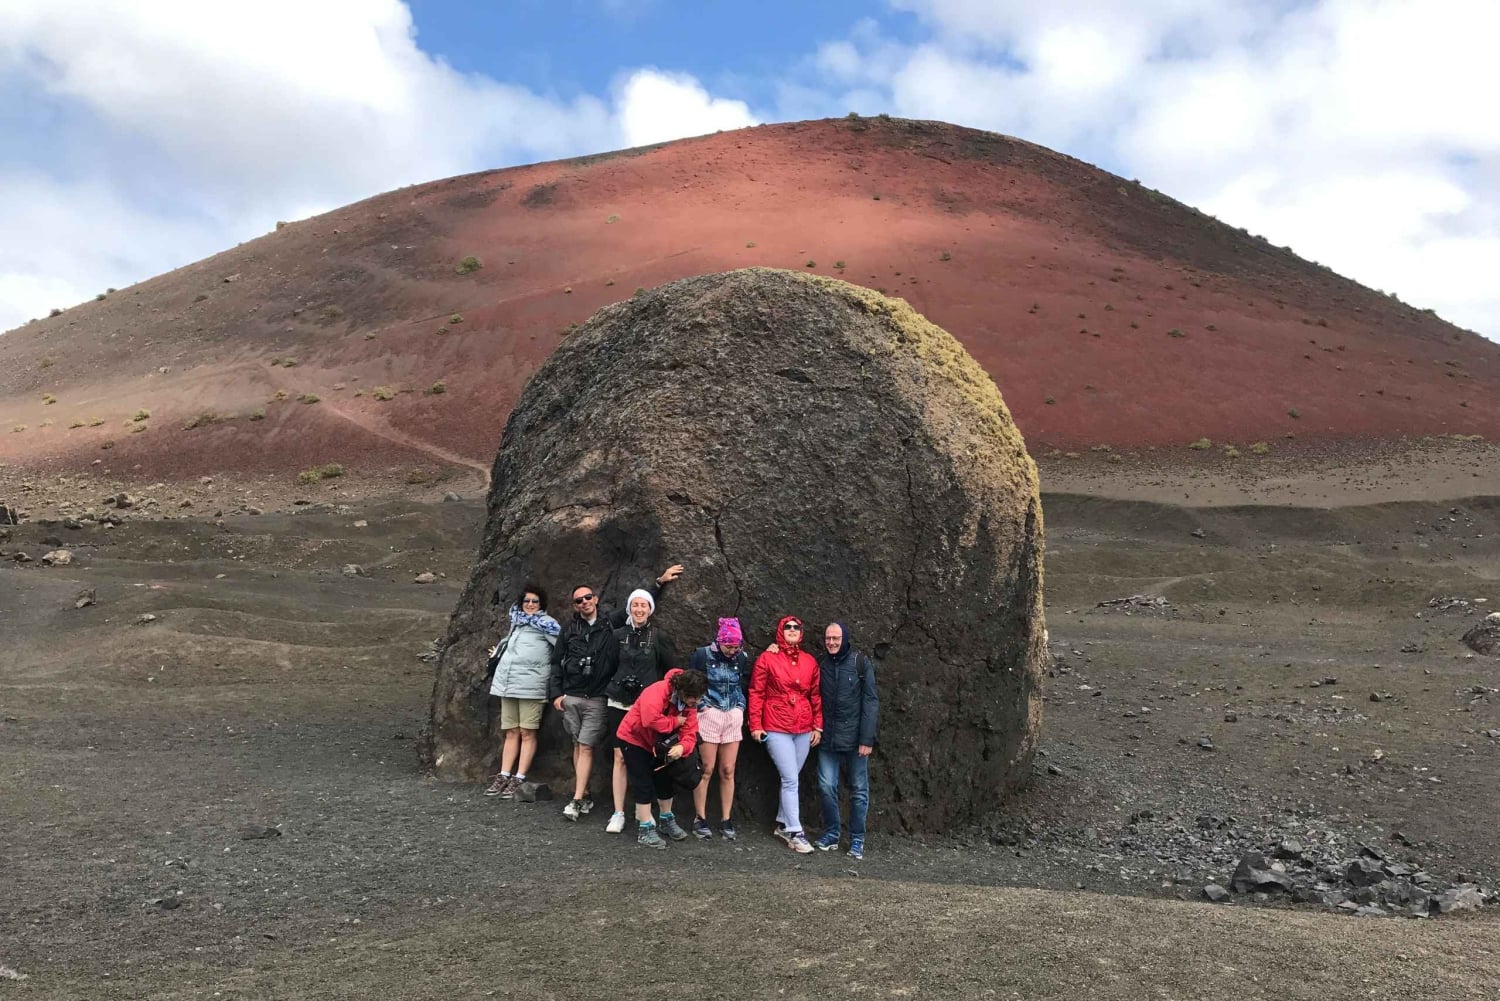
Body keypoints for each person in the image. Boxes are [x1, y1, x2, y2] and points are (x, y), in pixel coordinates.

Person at [549, 564, 683, 822]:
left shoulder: (609, 623)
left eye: (588, 597)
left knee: (591, 746)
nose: (585, 602)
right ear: (574, 605)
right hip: (582, 695)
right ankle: (587, 796)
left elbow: (640, 604)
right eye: (579, 600)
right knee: (581, 745)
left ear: (596, 599)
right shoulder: (570, 629)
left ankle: (589, 800)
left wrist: (660, 582)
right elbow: (557, 661)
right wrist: (556, 693)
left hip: (611, 698)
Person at [602, 587, 678, 835]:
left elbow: (670, 670)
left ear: (650, 609)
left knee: (647, 755)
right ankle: (618, 812)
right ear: (629, 608)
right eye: (635, 605)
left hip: (647, 706)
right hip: (619, 702)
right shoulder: (617, 636)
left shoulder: (659, 637)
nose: (639, 609)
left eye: (643, 605)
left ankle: (643, 810)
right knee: (620, 757)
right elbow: (609, 666)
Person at [748, 615, 822, 853]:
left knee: (792, 777)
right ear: (780, 631)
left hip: (803, 726)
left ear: (801, 632)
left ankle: (782, 824)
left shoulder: (809, 661)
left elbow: (815, 695)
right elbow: (756, 692)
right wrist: (755, 725)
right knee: (790, 779)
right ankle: (795, 831)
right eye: (787, 627)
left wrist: (817, 726)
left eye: (796, 627)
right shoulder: (767, 658)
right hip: (776, 724)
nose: (792, 630)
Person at [616, 668, 708, 848]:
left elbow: (690, 731)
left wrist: (683, 747)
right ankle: (645, 828)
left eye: (699, 697)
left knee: (665, 780)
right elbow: (649, 720)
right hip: (634, 739)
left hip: (661, 744)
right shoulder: (657, 691)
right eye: (694, 698)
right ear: (683, 692)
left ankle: (666, 819)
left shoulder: (689, 705)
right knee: (642, 781)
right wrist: (675, 722)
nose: (697, 702)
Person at [483, 585, 560, 799]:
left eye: (535, 601)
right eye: (527, 601)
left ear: (541, 604)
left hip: (532, 687)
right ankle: (504, 774)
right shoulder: (517, 623)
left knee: (527, 732)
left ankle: (519, 777)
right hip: (508, 684)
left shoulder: (548, 626)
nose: (530, 605)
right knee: (511, 731)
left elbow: (561, 649)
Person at [812, 622, 879, 859]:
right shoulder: (820, 663)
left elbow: (870, 701)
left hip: (855, 738)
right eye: (828, 638)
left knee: (859, 789)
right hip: (828, 737)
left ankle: (857, 839)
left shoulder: (860, 662)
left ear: (845, 639)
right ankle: (832, 833)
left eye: (836, 638)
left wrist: (866, 738)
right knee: (826, 786)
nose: (831, 642)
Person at [686, 617, 749, 840]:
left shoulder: (742, 658)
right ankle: (700, 818)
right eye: (728, 646)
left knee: (728, 769)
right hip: (709, 712)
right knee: (706, 768)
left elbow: (743, 684)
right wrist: (702, 707)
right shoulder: (702, 655)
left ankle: (726, 818)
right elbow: (691, 682)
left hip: (732, 714)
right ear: (719, 641)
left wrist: (740, 707)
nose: (732, 651)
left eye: (736, 646)